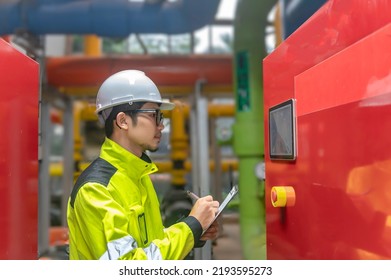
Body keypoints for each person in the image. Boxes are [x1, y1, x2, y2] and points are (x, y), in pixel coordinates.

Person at [66, 70, 219, 260]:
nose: (161, 125)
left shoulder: (136, 175)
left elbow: (149, 242)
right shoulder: (95, 190)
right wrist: (191, 226)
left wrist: (195, 232)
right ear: (123, 121)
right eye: (154, 115)